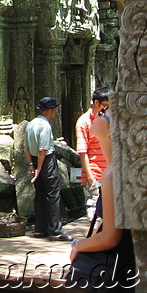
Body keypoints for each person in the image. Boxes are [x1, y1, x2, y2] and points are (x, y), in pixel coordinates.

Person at [67, 104, 138, 290]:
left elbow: (110, 238)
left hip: (118, 266)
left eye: (103, 112)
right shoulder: (123, 166)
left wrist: (77, 245)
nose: (96, 113)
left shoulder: (114, 173)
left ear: (112, 130)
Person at [24, 97, 71, 241]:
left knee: (40, 195)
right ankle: (55, 231)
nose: (55, 113)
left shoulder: (30, 124)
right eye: (55, 110)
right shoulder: (45, 126)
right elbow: (43, 150)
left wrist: (31, 165)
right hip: (46, 161)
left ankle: (40, 229)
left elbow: (25, 148)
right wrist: (39, 168)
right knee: (52, 195)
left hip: (34, 159)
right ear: (50, 111)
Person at [74, 86, 112, 219]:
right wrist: (90, 178)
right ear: (97, 103)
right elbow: (82, 152)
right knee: (95, 217)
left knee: (110, 217)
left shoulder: (110, 119)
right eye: (106, 106)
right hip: (95, 175)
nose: (108, 109)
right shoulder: (83, 122)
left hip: (110, 173)